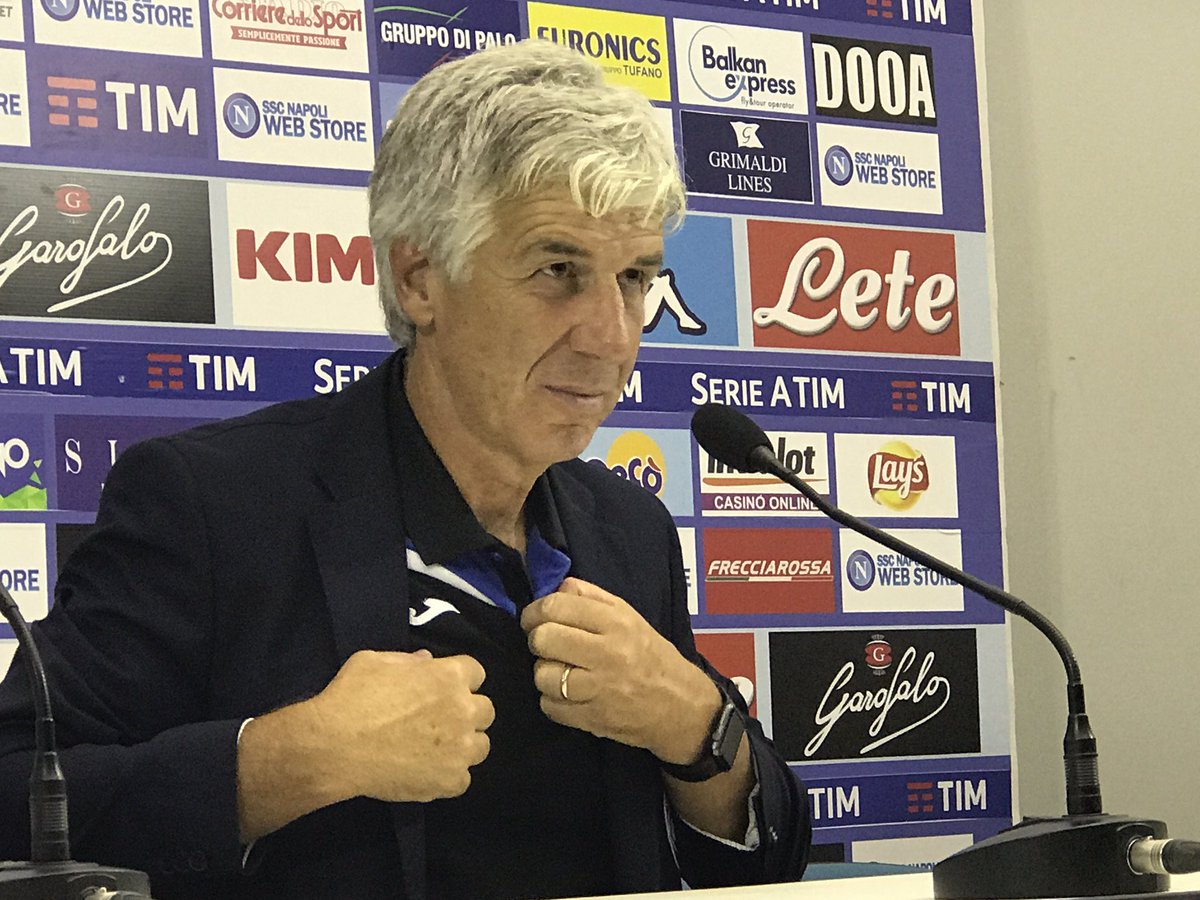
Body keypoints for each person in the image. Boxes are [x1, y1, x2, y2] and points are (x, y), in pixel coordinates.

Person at [0, 39, 810, 898]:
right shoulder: (212, 504)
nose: (612, 336)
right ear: (420, 278)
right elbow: (17, 797)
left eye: (635, 278)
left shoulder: (630, 531)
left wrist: (697, 723)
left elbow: (774, 860)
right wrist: (290, 759)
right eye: (558, 270)